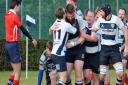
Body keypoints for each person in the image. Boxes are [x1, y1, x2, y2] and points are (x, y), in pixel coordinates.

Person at [92, 4, 128, 85]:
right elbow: (94, 30)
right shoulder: (100, 20)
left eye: (101, 11)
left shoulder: (116, 19)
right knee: (102, 76)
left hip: (114, 50)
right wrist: (92, 32)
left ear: (106, 12)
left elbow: (126, 31)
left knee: (120, 74)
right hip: (104, 50)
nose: (100, 13)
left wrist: (126, 47)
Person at [4, 0, 37, 85]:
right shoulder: (14, 16)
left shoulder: (7, 14)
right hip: (13, 45)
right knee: (18, 73)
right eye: (19, 6)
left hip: (7, 45)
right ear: (16, 6)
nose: (20, 8)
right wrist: (32, 39)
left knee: (15, 71)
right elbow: (23, 30)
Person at [49, 7, 77, 85]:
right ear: (64, 14)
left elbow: (50, 31)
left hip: (54, 53)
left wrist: (51, 29)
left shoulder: (55, 22)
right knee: (63, 77)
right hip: (59, 54)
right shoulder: (66, 25)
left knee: (57, 75)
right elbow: (75, 31)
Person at [83, 9, 100, 85]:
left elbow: (94, 39)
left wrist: (83, 35)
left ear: (94, 18)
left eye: (91, 16)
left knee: (95, 77)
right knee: (86, 76)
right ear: (85, 16)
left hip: (96, 54)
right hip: (86, 55)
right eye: (88, 16)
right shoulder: (83, 25)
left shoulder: (97, 25)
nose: (89, 18)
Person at [118, 7, 128, 85]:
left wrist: (123, 47)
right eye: (120, 14)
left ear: (125, 15)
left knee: (123, 67)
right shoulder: (114, 23)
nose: (121, 15)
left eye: (122, 14)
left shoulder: (127, 24)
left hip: (124, 49)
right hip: (114, 49)